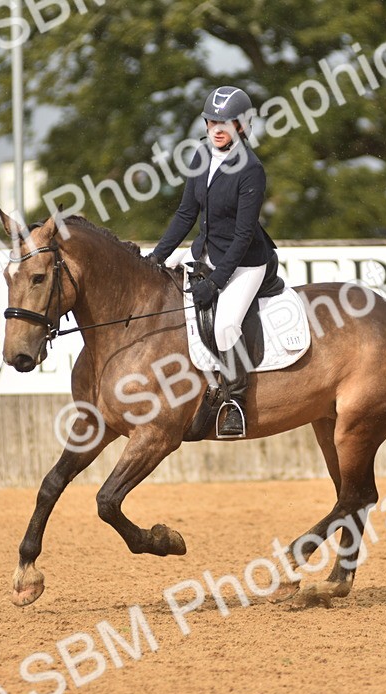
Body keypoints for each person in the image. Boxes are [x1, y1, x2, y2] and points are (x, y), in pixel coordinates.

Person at [148, 85, 278, 438]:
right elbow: (186, 212)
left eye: (227, 122)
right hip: (205, 255)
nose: (217, 128)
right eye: (212, 121)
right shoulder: (201, 155)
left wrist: (216, 282)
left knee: (224, 326)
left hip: (246, 263)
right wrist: (156, 257)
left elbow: (243, 235)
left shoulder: (251, 169)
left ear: (242, 126)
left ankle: (234, 402)